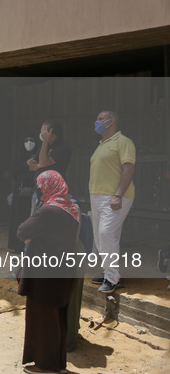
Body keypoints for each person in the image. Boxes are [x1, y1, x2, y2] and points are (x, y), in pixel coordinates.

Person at [16, 170, 80, 374]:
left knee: (44, 319)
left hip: (45, 272)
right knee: (56, 318)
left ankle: (46, 365)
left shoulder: (48, 211)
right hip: (63, 271)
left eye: (40, 186)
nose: (39, 191)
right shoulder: (71, 208)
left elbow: (22, 231)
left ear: (49, 186)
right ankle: (56, 362)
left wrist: (32, 236)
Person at [89, 110, 135, 293]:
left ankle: (112, 279)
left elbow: (128, 169)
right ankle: (109, 272)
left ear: (111, 121)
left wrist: (118, 195)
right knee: (101, 238)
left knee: (107, 234)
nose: (96, 122)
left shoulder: (123, 142)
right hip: (97, 196)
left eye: (100, 119)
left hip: (114, 196)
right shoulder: (101, 144)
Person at [27, 120, 72, 213]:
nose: (41, 133)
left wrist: (45, 142)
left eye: (44, 130)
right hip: (38, 192)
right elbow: (31, 166)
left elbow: (44, 161)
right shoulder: (43, 148)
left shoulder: (63, 148)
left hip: (54, 193)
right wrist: (40, 165)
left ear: (51, 132)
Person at [9, 136, 38, 252]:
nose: (29, 143)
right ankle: (17, 245)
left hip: (34, 191)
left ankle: (28, 247)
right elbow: (13, 171)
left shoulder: (38, 156)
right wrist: (25, 164)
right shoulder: (19, 157)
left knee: (30, 217)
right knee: (18, 217)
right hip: (20, 192)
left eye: (32, 141)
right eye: (26, 141)